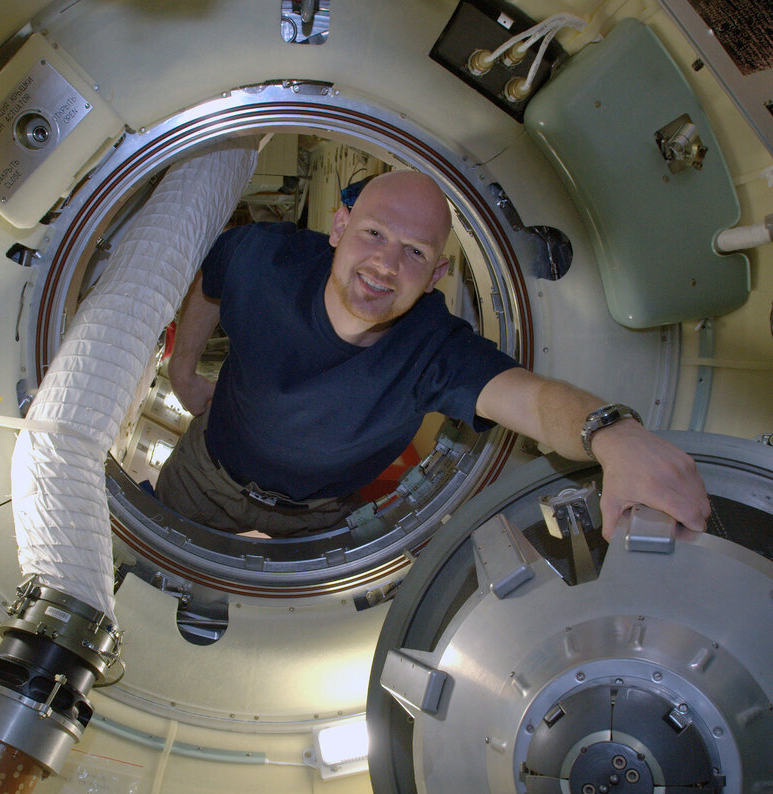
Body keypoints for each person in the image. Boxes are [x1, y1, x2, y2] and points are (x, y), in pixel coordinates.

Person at [155, 170, 710, 539]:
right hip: (206, 472)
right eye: (373, 233)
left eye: (414, 252)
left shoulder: (435, 346)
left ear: (436, 273)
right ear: (340, 226)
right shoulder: (268, 259)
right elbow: (214, 275)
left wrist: (614, 435)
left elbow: (535, 401)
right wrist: (182, 372)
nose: (385, 265)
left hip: (320, 516)